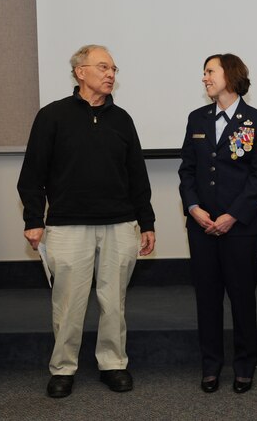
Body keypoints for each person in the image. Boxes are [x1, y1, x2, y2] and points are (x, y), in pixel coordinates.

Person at [17, 44, 156, 398]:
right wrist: (34, 219)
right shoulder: (52, 116)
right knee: (68, 303)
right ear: (80, 72)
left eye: (114, 69)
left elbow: (137, 176)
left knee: (114, 301)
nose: (111, 74)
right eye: (103, 67)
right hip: (66, 226)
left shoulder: (122, 119)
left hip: (119, 224)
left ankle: (113, 363)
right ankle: (63, 368)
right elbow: (32, 174)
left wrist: (147, 221)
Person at [178, 53, 257, 394]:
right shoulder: (197, 119)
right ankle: (211, 365)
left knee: (242, 297)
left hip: (241, 229)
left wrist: (232, 215)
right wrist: (192, 207)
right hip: (202, 227)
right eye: (203, 72)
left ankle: (245, 365)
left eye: (210, 72)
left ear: (230, 76)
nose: (204, 78)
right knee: (207, 298)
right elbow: (187, 170)